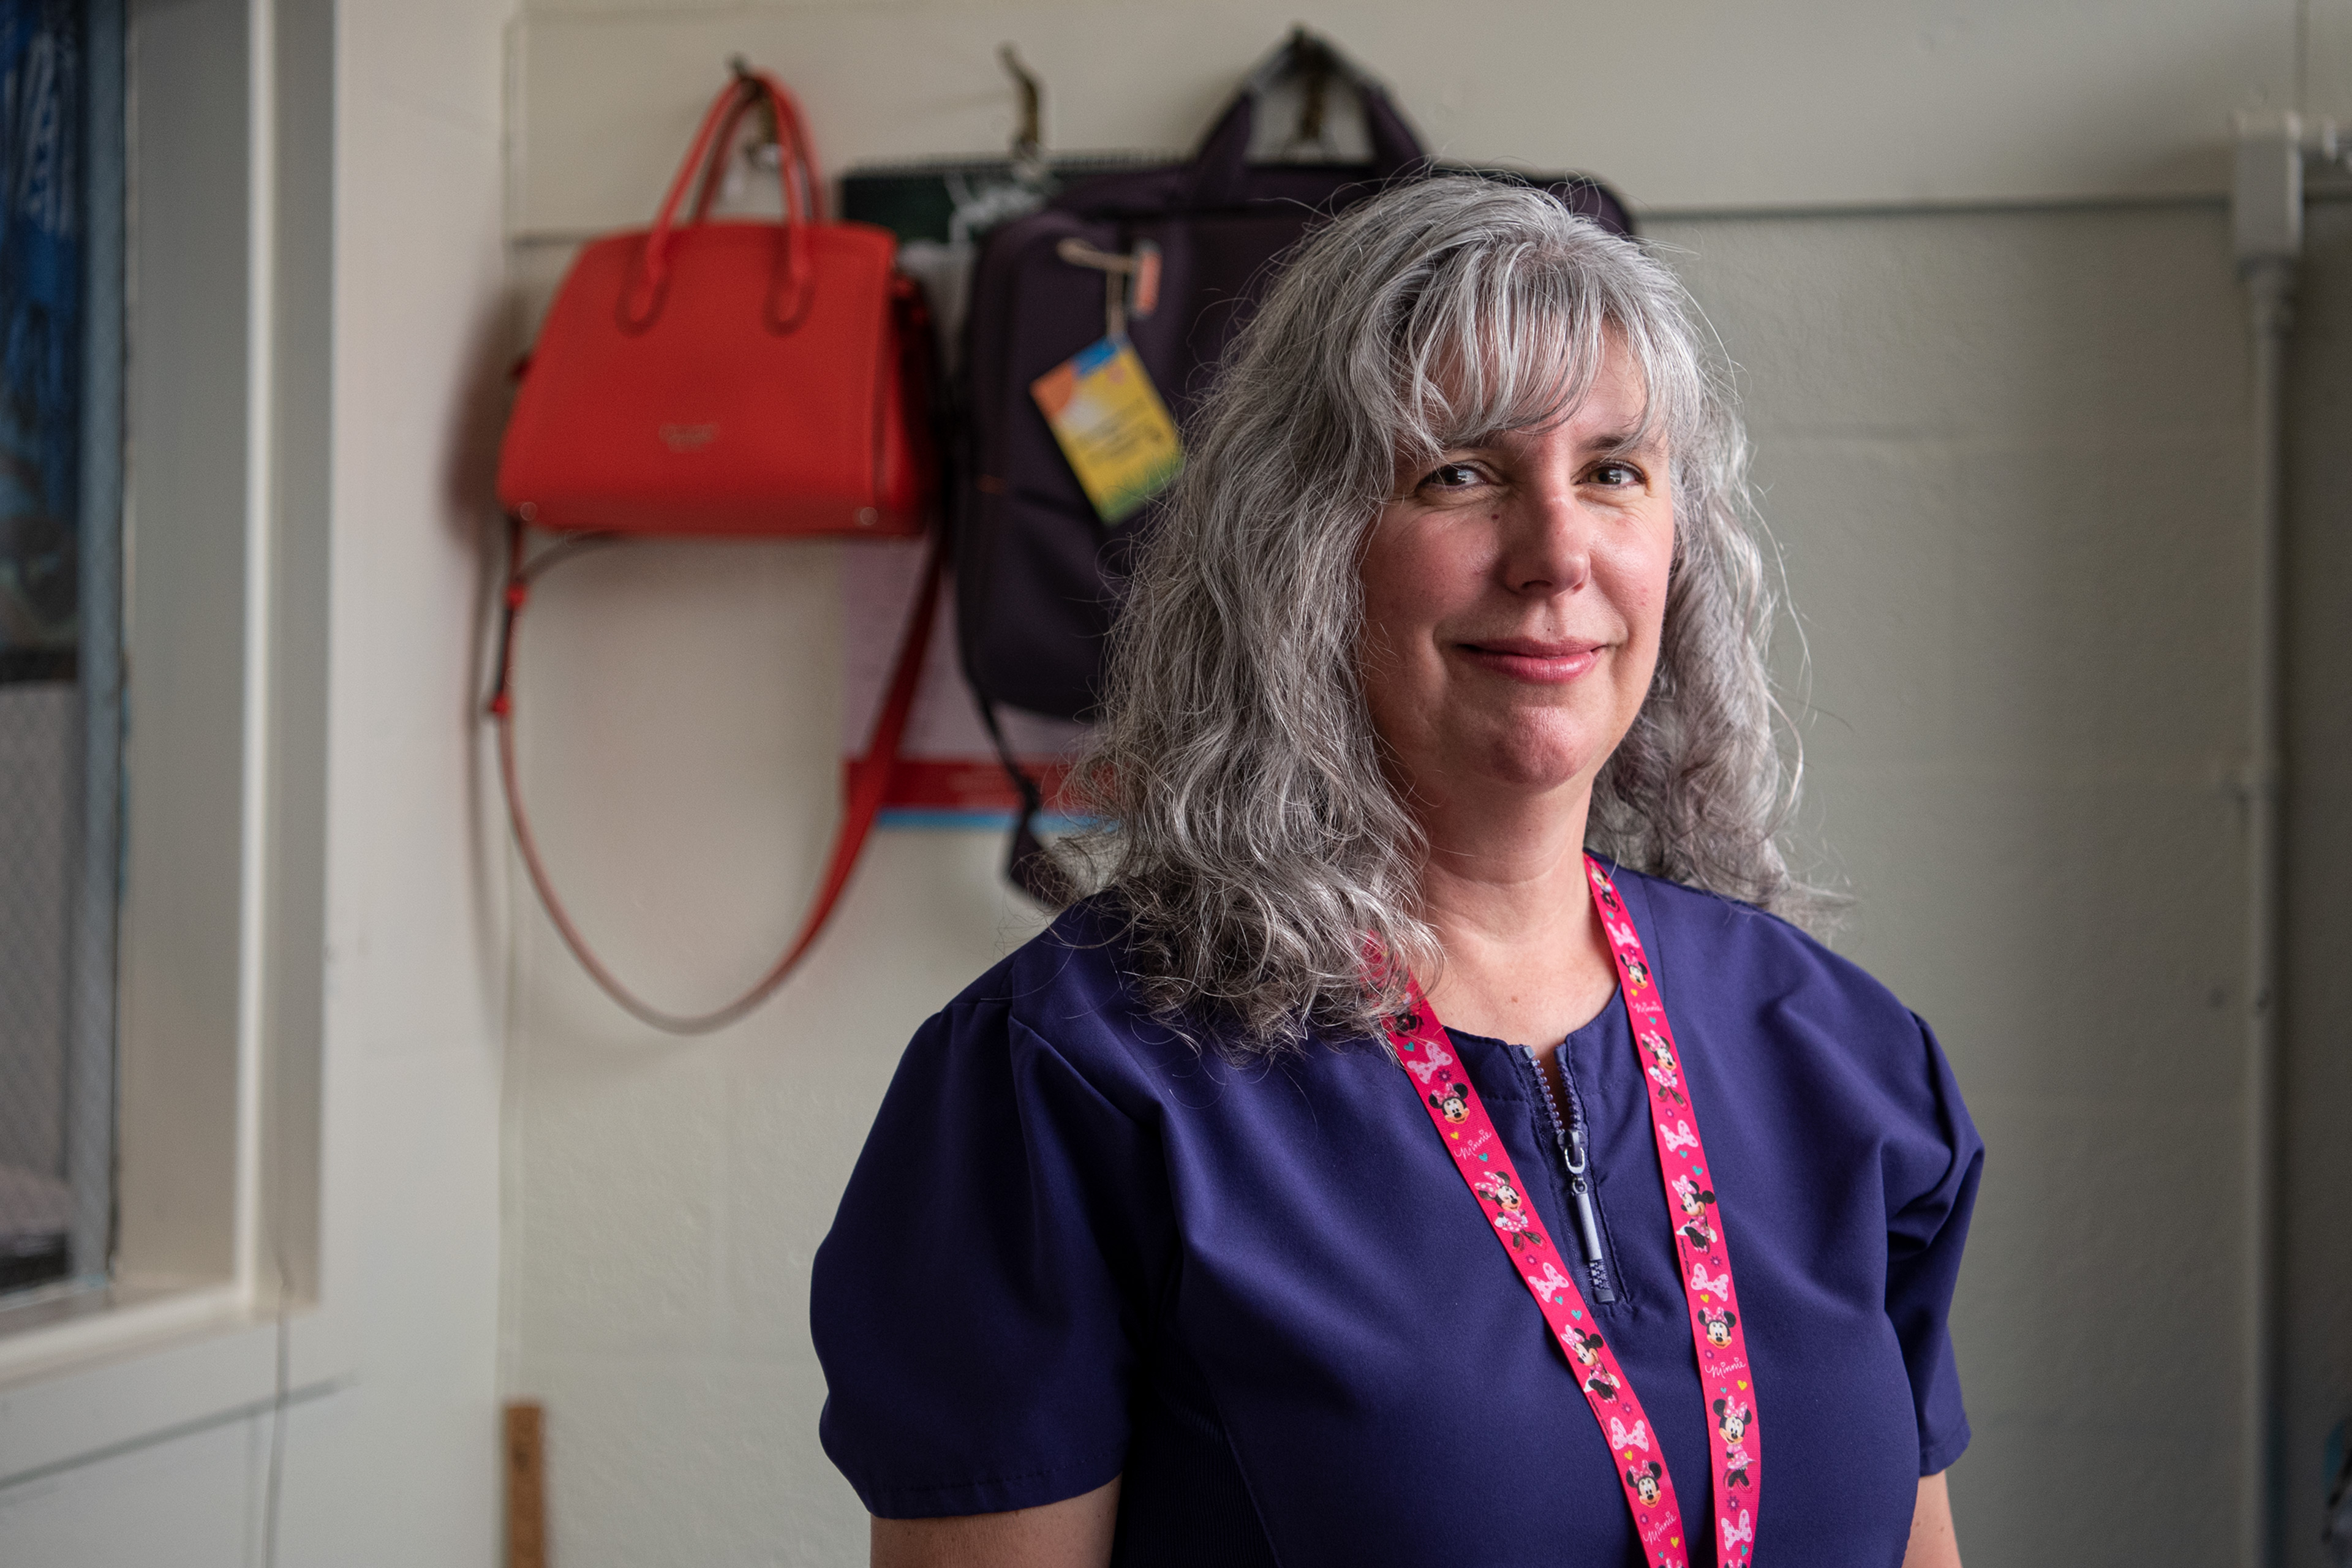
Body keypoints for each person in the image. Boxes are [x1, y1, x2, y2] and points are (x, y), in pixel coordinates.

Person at [812, 179, 1981, 1568]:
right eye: (1461, 473)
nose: (1558, 554)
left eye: (1614, 470)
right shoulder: (1072, 1080)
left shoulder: (1842, 1057)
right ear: (1301, 549)